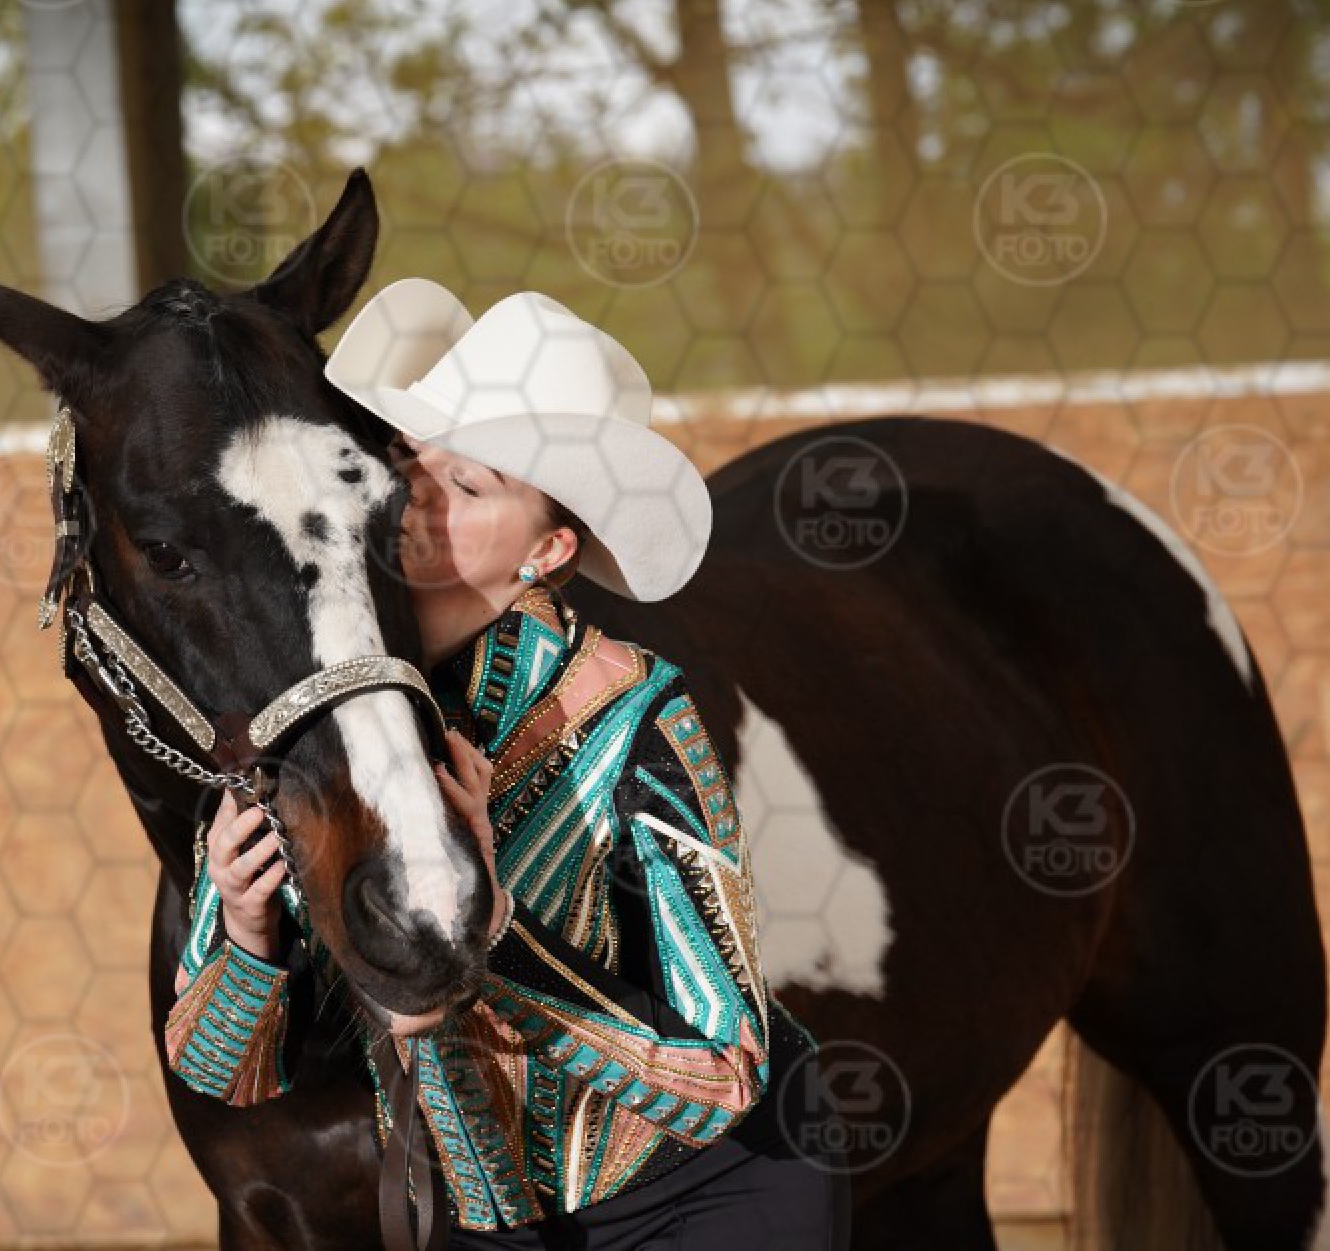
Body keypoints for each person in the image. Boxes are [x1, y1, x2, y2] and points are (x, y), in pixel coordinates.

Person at [161, 280, 852, 1248]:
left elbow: (724, 1074)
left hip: (714, 1199)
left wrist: (492, 934)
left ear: (549, 548)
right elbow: (223, 1078)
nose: (416, 493)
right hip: (485, 1224)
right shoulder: (306, 705)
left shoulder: (634, 714)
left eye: (472, 484)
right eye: (410, 458)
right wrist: (245, 931)